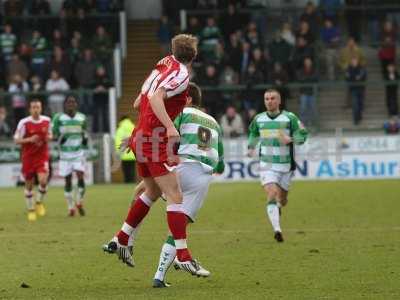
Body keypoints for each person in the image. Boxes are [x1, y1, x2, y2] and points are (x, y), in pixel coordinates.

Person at [102, 34, 209, 277]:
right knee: (176, 195)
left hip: (141, 136)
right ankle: (182, 255)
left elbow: (139, 102)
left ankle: (121, 238)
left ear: (173, 49)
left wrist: (147, 125)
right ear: (194, 55)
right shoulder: (181, 74)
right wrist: (170, 127)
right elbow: (155, 98)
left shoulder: (163, 63)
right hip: (155, 139)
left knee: (152, 192)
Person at [130, 83, 224, 288]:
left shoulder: (180, 112)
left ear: (187, 99)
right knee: (179, 228)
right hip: (201, 176)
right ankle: (160, 274)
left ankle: (130, 240)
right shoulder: (215, 123)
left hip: (180, 168)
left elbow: (164, 137)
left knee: (153, 196)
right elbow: (221, 163)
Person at [248, 89, 308, 242]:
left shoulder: (289, 118)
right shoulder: (259, 119)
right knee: (272, 193)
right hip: (267, 164)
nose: (269, 101)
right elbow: (253, 133)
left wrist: (292, 139)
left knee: (283, 199)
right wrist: (251, 146)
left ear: (279, 101)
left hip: (286, 166)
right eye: (267, 98)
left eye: (273, 98)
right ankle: (277, 230)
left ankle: (279, 206)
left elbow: (303, 134)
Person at [14, 99, 52, 221]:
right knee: (29, 185)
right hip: (28, 157)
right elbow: (16, 140)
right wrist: (29, 139)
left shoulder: (47, 121)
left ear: (41, 108)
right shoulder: (24, 123)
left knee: (43, 181)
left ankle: (39, 202)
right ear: (30, 109)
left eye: (38, 107)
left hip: (42, 156)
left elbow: (50, 135)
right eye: (33, 107)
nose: (36, 110)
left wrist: (48, 137)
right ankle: (31, 210)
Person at [52, 95, 88, 216]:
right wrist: (58, 139)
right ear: (65, 104)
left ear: (76, 104)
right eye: (69, 102)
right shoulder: (58, 118)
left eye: (73, 102)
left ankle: (79, 202)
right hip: (65, 155)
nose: (71, 104)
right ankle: (71, 207)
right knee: (67, 181)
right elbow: (53, 134)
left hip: (78, 153)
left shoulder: (82, 118)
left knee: (80, 176)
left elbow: (84, 133)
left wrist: (84, 140)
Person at [345, 57, 367, 125]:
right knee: (355, 104)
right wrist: (355, 77)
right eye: (353, 61)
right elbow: (347, 77)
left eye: (355, 61)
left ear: (357, 61)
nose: (354, 62)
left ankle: (359, 117)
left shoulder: (361, 68)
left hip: (361, 88)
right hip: (353, 89)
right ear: (351, 62)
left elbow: (363, 76)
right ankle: (356, 120)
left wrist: (354, 77)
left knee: (360, 104)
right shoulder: (348, 68)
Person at [114, 116, 136, 183]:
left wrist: (118, 152)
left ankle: (127, 182)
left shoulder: (120, 130)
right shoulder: (133, 127)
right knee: (132, 169)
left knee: (126, 170)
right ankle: (132, 182)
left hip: (123, 154)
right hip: (133, 153)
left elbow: (117, 141)